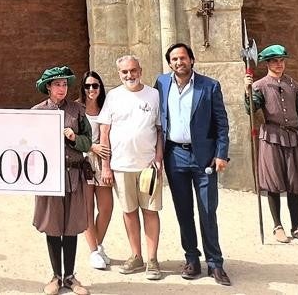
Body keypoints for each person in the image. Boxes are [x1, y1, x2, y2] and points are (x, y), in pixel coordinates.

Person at [155, 42, 231, 286]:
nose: (179, 62)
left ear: (192, 60)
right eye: (174, 59)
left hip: (204, 157)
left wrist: (221, 153)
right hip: (174, 154)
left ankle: (215, 263)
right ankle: (192, 259)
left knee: (208, 210)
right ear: (170, 63)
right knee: (184, 210)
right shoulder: (162, 84)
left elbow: (222, 123)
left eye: (183, 58)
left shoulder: (209, 86)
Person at [97, 55, 165, 280]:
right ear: (119, 74)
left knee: (150, 211)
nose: (129, 75)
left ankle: (152, 259)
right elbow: (104, 133)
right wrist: (106, 167)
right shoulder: (114, 97)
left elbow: (159, 131)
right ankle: (136, 255)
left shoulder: (154, 95)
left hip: (148, 166)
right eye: (125, 72)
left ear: (140, 70)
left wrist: (158, 159)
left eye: (133, 70)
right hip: (121, 165)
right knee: (129, 212)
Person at [243, 45, 298, 244]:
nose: (279, 64)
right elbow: (251, 109)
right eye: (274, 61)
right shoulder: (259, 86)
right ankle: (277, 226)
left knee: (294, 183)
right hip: (271, 136)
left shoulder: (293, 85)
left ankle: (297, 227)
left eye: (281, 61)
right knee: (273, 182)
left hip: (292, 136)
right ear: (267, 63)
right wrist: (247, 90)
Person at [32, 66, 93, 295]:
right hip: (48, 177)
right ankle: (55, 276)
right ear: (48, 87)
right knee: (52, 225)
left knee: (71, 227)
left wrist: (74, 137)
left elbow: (89, 142)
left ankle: (70, 276)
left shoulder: (78, 110)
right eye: (57, 84)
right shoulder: (37, 112)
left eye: (65, 84)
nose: (61, 88)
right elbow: (27, 144)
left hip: (73, 176)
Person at [80, 71, 114, 272]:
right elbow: (71, 136)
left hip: (103, 161)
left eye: (95, 85)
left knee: (106, 207)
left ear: (101, 88)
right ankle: (94, 250)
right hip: (84, 161)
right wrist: (91, 147)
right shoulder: (77, 108)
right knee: (87, 208)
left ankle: (96, 246)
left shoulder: (106, 108)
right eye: (87, 86)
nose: (91, 89)